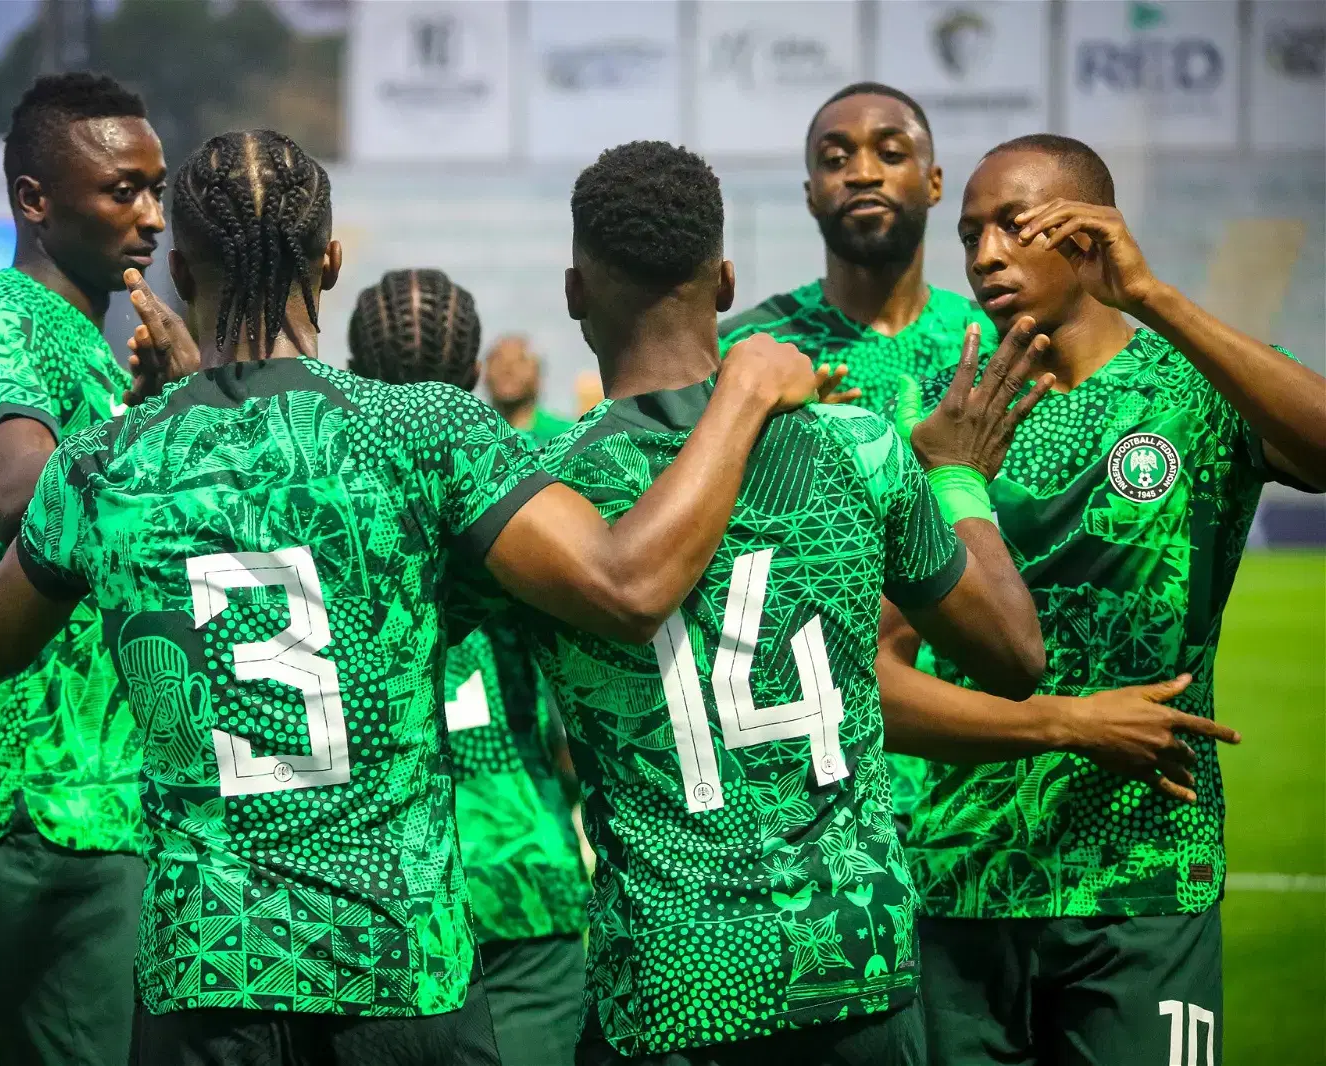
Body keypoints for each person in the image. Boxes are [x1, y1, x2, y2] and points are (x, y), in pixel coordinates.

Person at [0, 128, 825, 1066]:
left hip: (206, 975)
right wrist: (742, 394)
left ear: (178, 268)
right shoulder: (423, 428)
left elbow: (1, 642)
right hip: (396, 968)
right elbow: (627, 587)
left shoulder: (105, 463)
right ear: (331, 262)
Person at [512, 139, 1052, 1066]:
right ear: (724, 284)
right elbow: (1014, 655)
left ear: (574, 292)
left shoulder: (537, 491)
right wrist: (958, 478)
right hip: (852, 966)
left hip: (669, 981)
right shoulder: (861, 445)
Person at [881, 133, 1326, 1066]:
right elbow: (875, 673)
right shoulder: (941, 423)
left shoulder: (1190, 389)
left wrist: (1155, 298)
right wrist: (1065, 720)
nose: (985, 255)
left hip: (1145, 876)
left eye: (1014, 225)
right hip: (963, 883)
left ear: (1087, 235)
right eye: (969, 236)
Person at [0, 71, 166, 1066]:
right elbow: (21, 492)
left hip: (113, 807)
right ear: (34, 199)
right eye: (121, 190)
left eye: (157, 187)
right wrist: (151, 427)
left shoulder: (103, 354)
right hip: (49, 802)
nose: (150, 216)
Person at [716, 81, 996, 830]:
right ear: (811, 194)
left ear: (934, 182)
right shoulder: (745, 355)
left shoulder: (1000, 346)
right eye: (836, 159)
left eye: (891, 152)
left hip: (982, 794)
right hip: (814, 791)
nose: (863, 172)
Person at [347, 268, 592, 1066]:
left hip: (373, 885)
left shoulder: (314, 499)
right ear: (469, 375)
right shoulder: (521, 487)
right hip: (522, 864)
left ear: (353, 369)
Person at [483, 334, 577, 439]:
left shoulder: (568, 436)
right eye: (498, 360)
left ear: (538, 375)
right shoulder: (469, 436)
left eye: (520, 361)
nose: (507, 368)